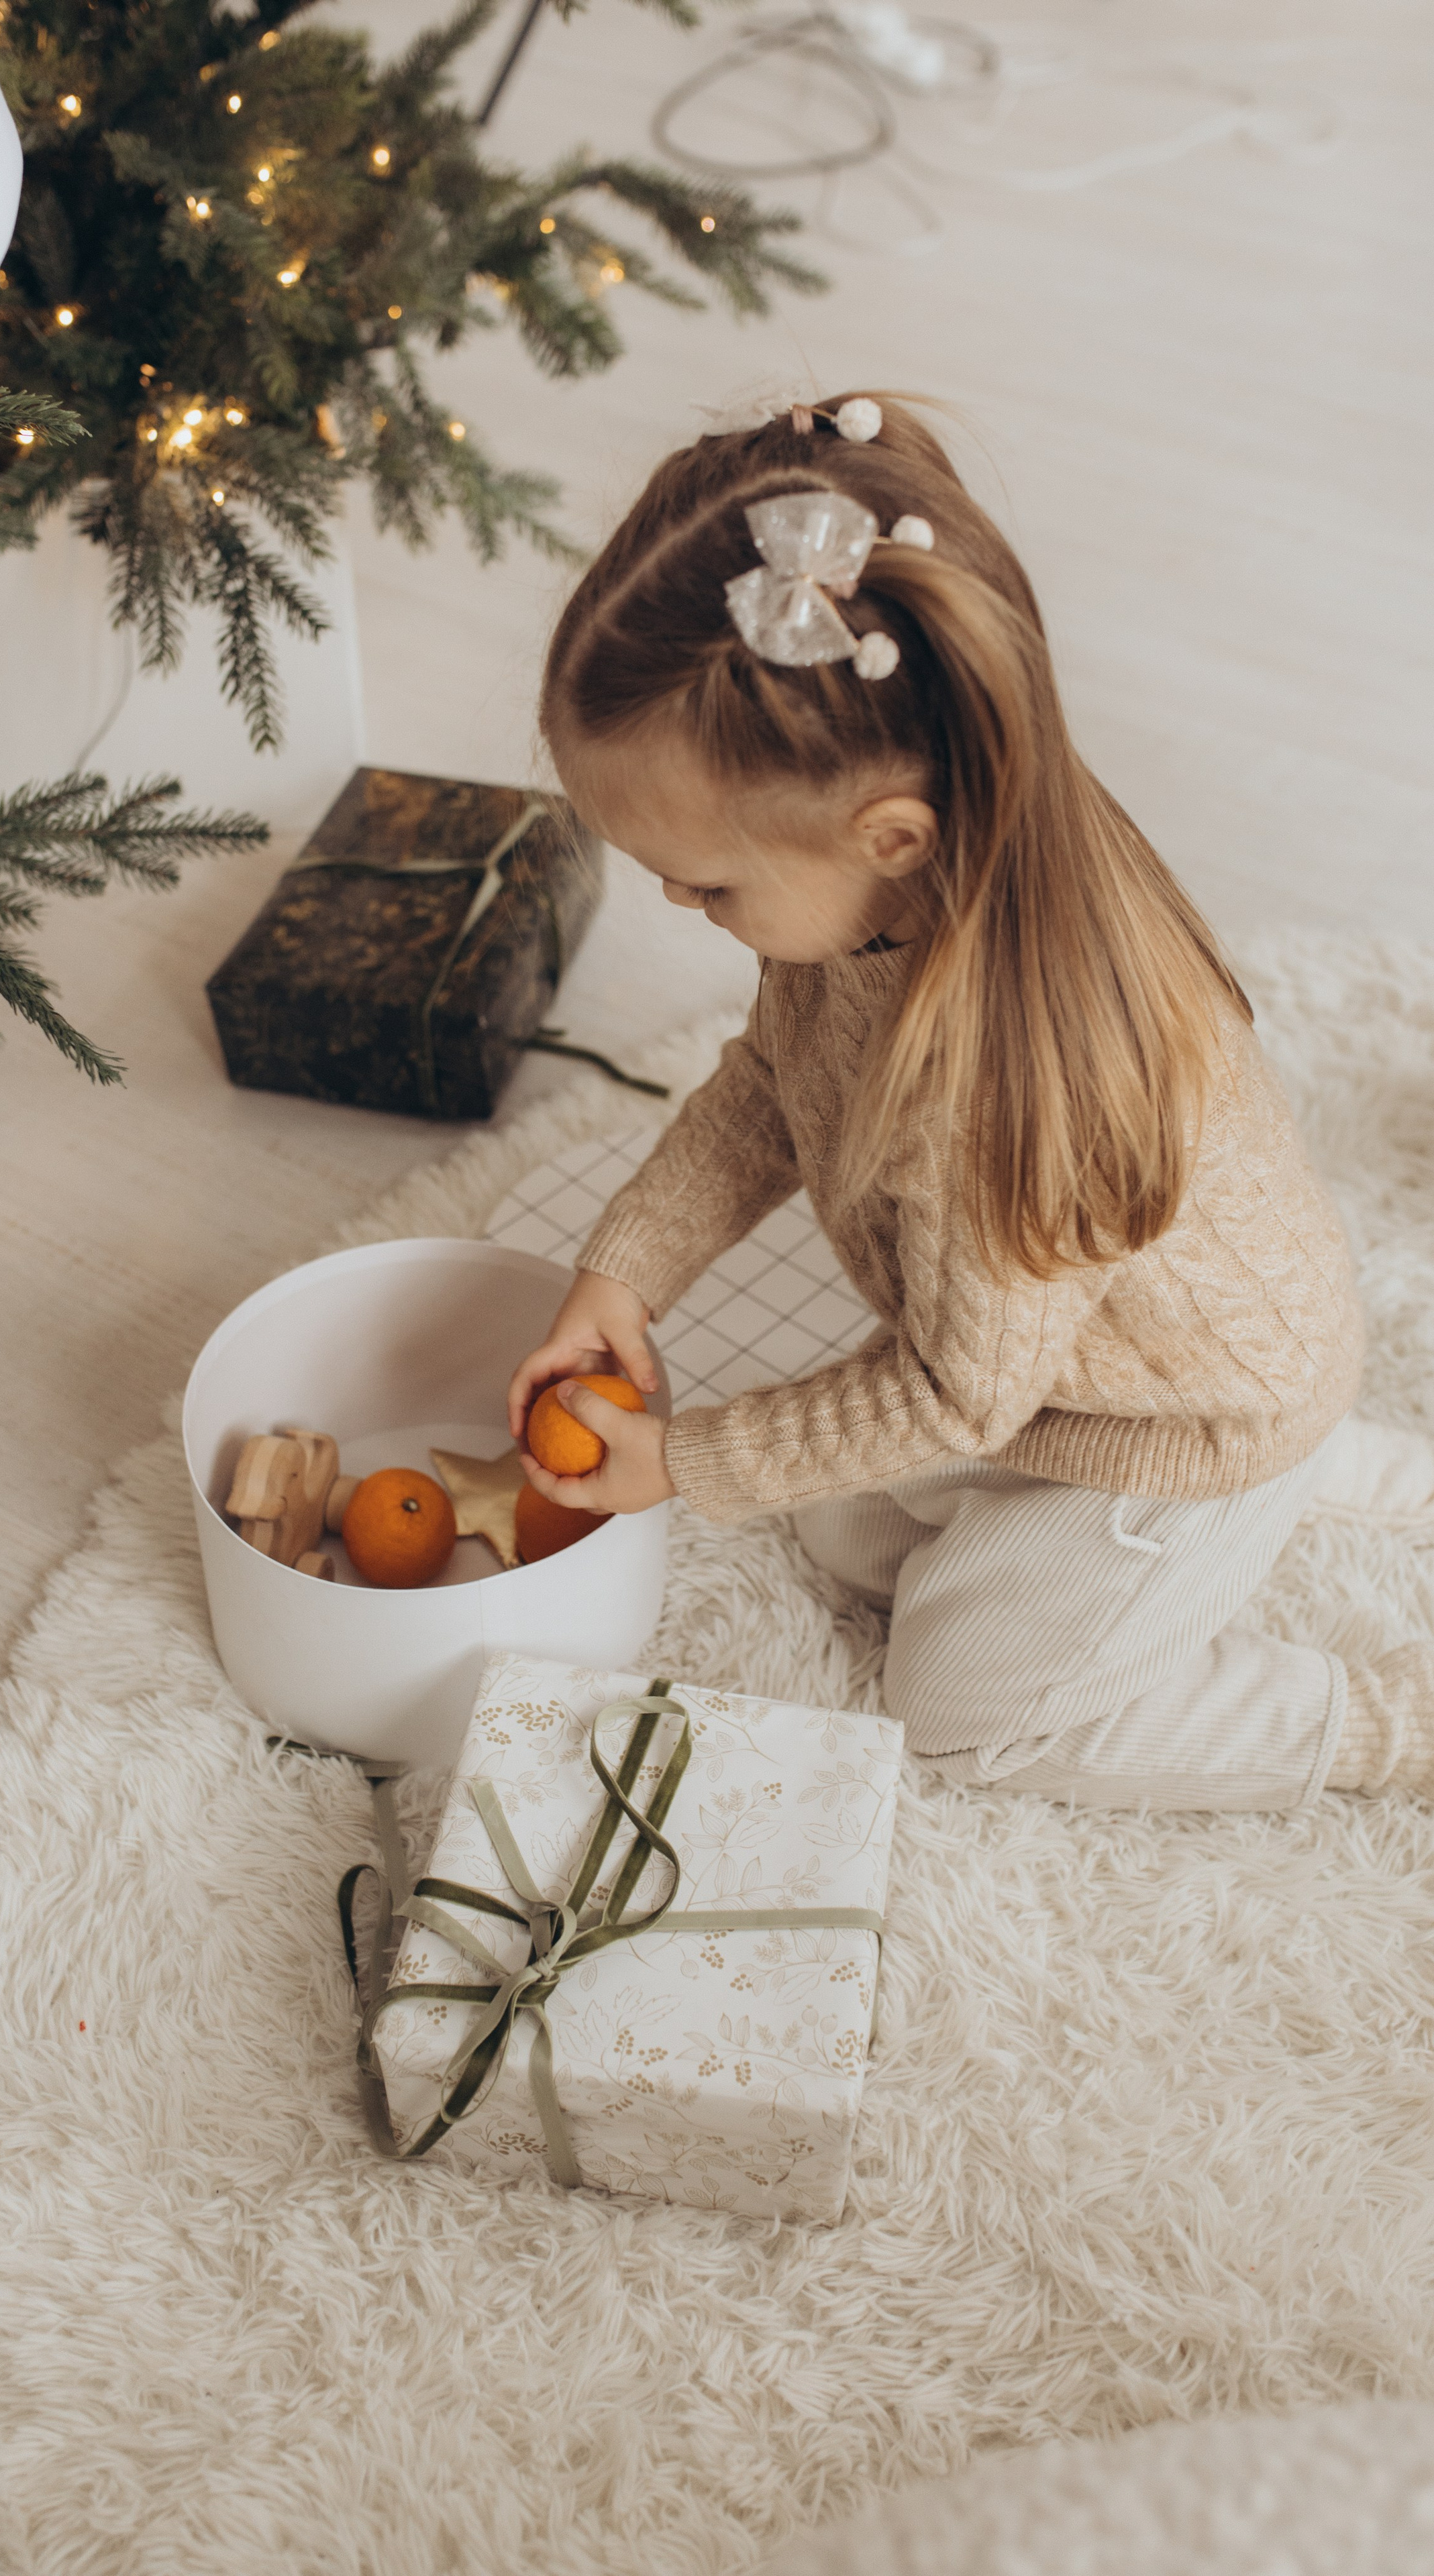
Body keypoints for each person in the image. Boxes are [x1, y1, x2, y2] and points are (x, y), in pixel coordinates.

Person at [507, 390, 1433, 1809]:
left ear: (887, 837)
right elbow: (767, 1085)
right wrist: (625, 1267)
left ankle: (1371, 1721)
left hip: (1180, 1428)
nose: (679, 906)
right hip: (1054, 1375)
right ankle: (1318, 1468)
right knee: (845, 1538)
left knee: (958, 1719)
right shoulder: (902, 881)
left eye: (706, 883)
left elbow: (948, 1392)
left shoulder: (999, 1092)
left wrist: (681, 1463)